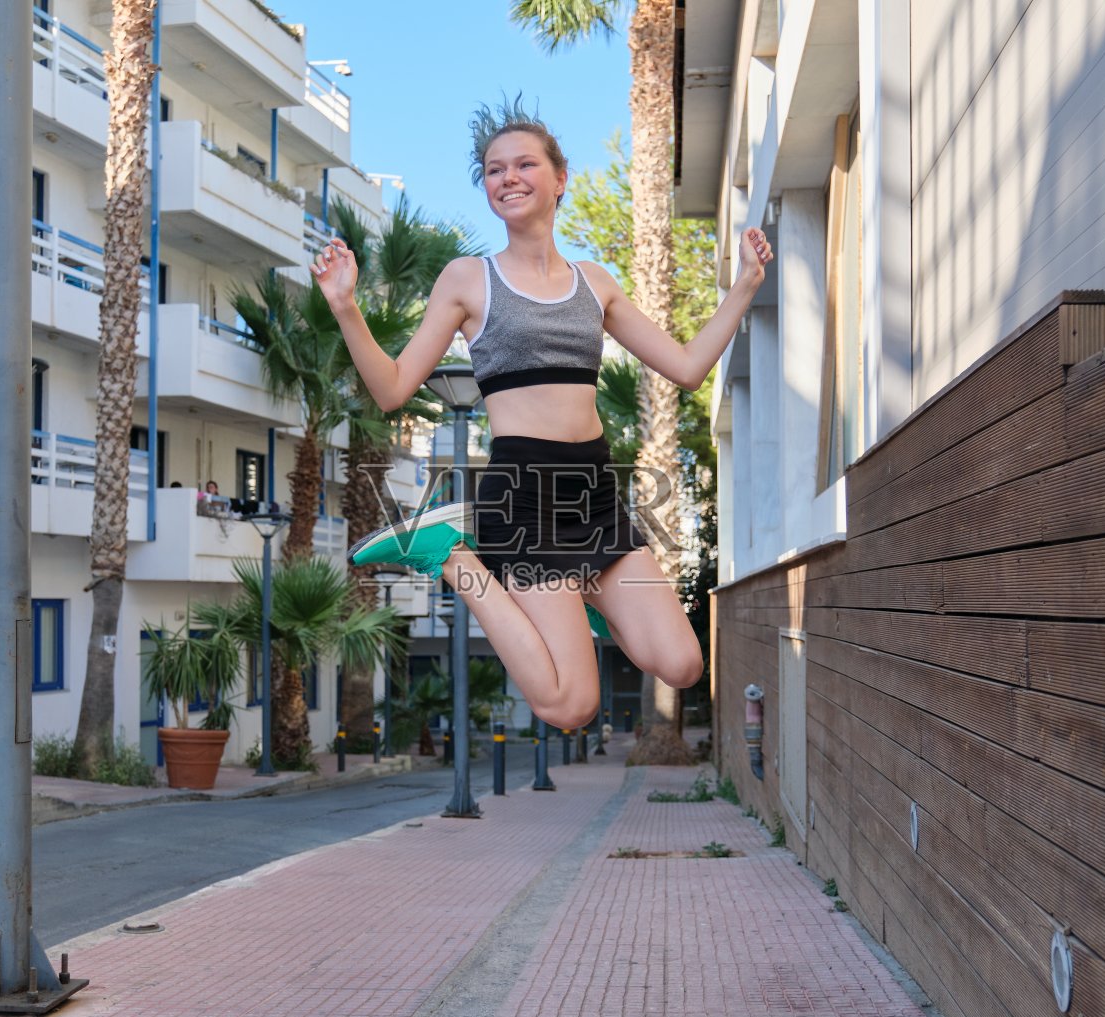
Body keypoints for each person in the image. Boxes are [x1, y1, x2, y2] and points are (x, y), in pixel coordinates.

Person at [317, 101, 771, 732]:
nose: (508, 177)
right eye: (493, 169)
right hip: (524, 502)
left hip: (596, 497)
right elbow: (392, 389)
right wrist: (345, 306)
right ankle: (452, 557)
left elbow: (689, 366)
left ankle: (577, 593)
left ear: (561, 178)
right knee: (569, 706)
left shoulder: (595, 282)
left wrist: (745, 285)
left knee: (682, 663)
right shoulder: (469, 280)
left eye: (524, 163)